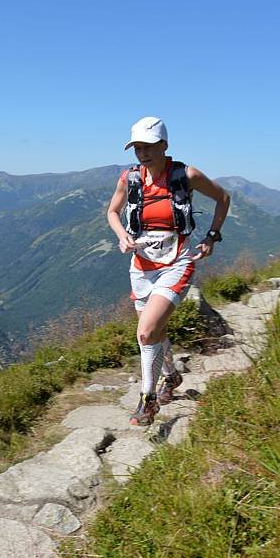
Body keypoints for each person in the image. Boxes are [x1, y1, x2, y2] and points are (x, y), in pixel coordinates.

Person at [107, 116, 231, 426]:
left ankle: (147, 400)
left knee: (146, 332)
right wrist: (122, 236)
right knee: (155, 331)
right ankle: (171, 375)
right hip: (141, 265)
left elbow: (223, 198)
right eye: (137, 148)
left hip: (177, 262)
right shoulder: (129, 178)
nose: (143, 154)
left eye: (148, 147)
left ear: (164, 145)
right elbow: (112, 212)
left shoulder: (186, 175)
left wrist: (211, 237)